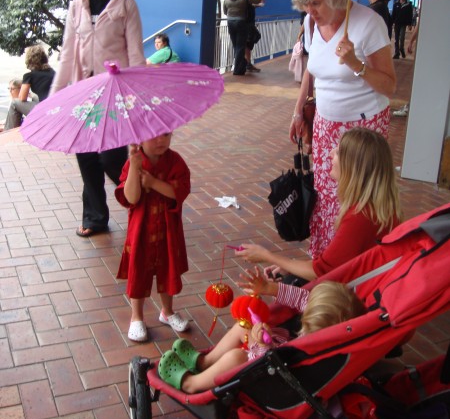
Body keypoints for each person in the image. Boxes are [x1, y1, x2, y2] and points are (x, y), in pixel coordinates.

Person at [289, 0, 396, 259]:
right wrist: (299, 110)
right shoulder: (311, 22)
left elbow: (389, 86)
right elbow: (312, 71)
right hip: (326, 123)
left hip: (363, 128)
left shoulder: (369, 23)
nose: (309, 10)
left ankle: (359, 264)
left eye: (316, 3)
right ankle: (324, 262)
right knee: (324, 196)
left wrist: (355, 64)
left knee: (357, 199)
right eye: (305, 4)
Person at [50, 0, 146, 238]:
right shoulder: (77, 4)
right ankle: (95, 218)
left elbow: (135, 54)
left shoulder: (125, 3)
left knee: (111, 157)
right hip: (85, 92)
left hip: (116, 93)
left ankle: (138, 200)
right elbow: (67, 54)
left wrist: (138, 98)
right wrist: (54, 97)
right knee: (86, 155)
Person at [239, 127, 401, 282]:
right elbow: (332, 264)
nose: (330, 154)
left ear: (353, 166)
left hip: (355, 295)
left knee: (285, 290)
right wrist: (289, 266)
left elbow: (322, 272)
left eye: (337, 152)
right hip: (363, 283)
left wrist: (266, 256)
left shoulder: (361, 216)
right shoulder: (376, 207)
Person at [157, 278, 366, 392]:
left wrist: (260, 343)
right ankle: (204, 362)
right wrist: (269, 287)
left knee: (236, 357)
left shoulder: (312, 347)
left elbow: (269, 362)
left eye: (307, 313)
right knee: (242, 326)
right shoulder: (326, 325)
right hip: (276, 347)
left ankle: (191, 384)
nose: (305, 308)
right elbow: (302, 298)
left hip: (273, 369)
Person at [116, 133, 191, 341]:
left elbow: (179, 192)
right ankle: (136, 317)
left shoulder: (175, 161)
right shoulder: (134, 161)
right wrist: (133, 166)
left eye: (166, 134)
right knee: (138, 270)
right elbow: (131, 197)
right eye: (154, 136)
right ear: (139, 138)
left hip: (168, 229)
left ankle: (167, 311)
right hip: (141, 230)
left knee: (168, 268)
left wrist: (152, 182)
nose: (161, 141)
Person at [4, 45, 54, 131]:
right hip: (54, 106)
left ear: (29, 60)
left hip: (43, 110)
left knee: (14, 104)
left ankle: (9, 131)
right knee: (35, 99)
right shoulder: (53, 72)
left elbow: (22, 98)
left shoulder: (29, 76)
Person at [223, 0, 264, 76]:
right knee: (241, 46)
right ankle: (238, 70)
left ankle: (242, 65)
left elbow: (225, 11)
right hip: (241, 23)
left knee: (236, 46)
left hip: (230, 23)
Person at [242, 0, 264, 73]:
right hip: (246, 23)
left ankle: (247, 63)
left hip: (249, 22)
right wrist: (258, 1)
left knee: (250, 41)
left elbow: (249, 6)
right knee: (253, 38)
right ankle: (246, 62)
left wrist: (257, 6)